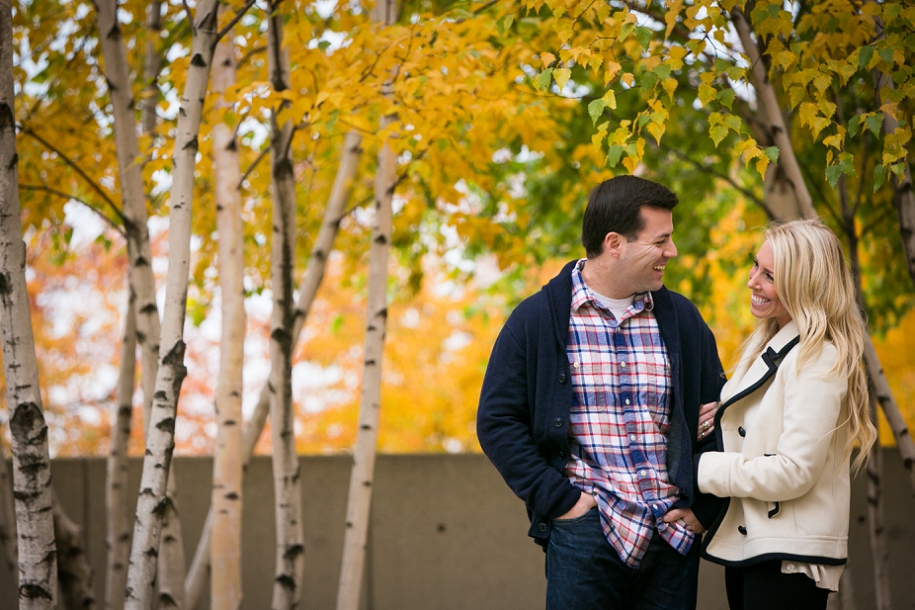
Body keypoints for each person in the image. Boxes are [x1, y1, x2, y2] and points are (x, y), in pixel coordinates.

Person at [477, 175, 725, 610]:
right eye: (661, 240)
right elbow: (497, 421)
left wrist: (704, 510)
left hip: (671, 540)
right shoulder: (537, 320)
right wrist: (562, 502)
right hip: (584, 538)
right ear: (615, 243)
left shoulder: (682, 320)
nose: (672, 252)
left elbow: (721, 416)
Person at [664, 219, 877, 610]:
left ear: (802, 285)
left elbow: (793, 470)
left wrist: (699, 469)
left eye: (769, 275)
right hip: (758, 545)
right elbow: (756, 431)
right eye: (755, 266)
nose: (752, 281)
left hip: (788, 559)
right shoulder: (772, 346)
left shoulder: (818, 357)